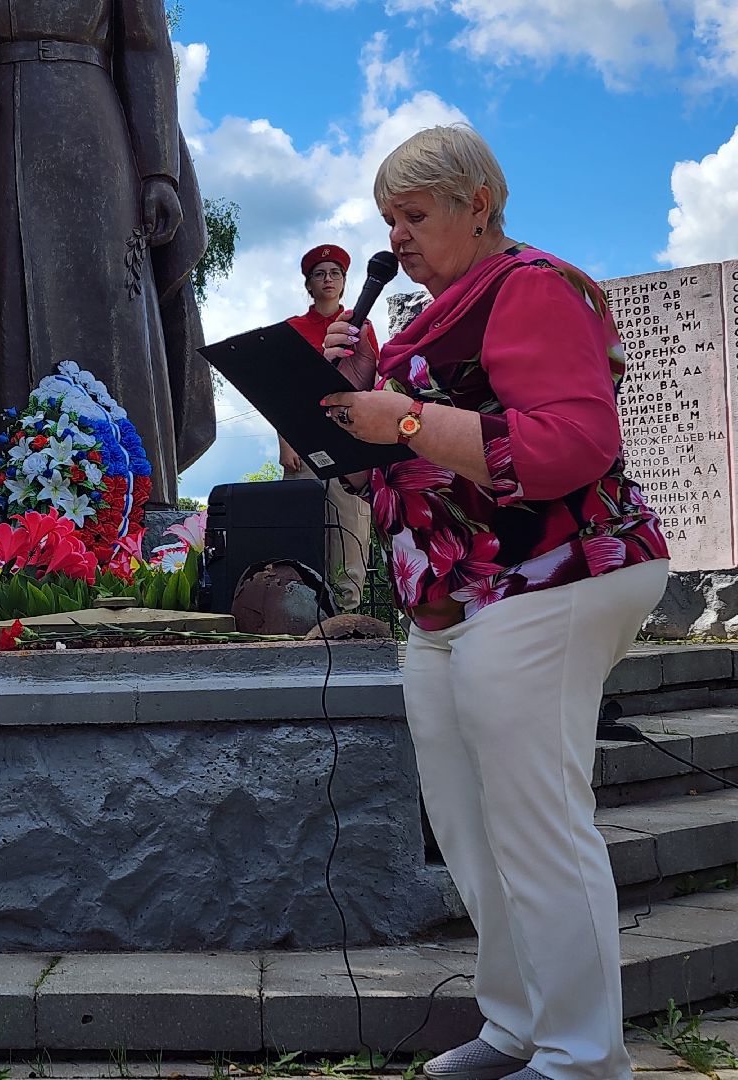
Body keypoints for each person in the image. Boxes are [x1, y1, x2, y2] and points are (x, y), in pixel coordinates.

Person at [319, 125, 669, 1080]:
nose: (397, 236)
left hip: (555, 573)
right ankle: (518, 1024)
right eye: (389, 219)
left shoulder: (532, 288)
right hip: (453, 599)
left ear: (478, 204)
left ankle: (585, 1056)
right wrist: (347, 398)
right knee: (470, 824)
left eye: (416, 215)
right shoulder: (427, 322)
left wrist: (406, 416)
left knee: (537, 820)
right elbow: (392, 472)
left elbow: (574, 443)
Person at [0, 0, 216, 514]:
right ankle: (10, 507)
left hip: (94, 126)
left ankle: (133, 501)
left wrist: (159, 170)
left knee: (115, 310)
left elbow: (144, 45)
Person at [278, 244, 380, 611]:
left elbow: (372, 385)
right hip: (304, 439)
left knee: (350, 527)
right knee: (301, 526)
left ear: (345, 282)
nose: (328, 280)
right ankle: (299, 609)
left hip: (349, 441)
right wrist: (285, 442)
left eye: (335, 273)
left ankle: (346, 610)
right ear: (308, 284)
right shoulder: (293, 329)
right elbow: (283, 392)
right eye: (319, 274)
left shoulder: (359, 326)